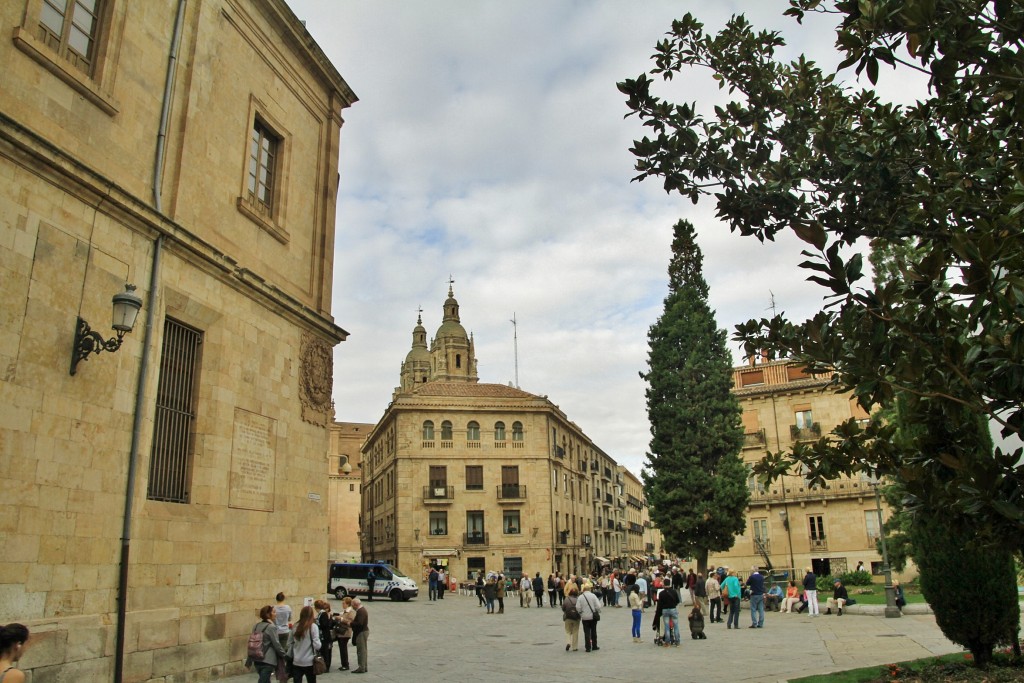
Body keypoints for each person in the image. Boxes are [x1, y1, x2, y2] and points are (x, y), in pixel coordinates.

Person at [246, 606, 286, 683]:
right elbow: (276, 644)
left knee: (265, 680)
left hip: (256, 658)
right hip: (268, 660)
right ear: (268, 614)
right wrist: (284, 655)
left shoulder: (256, 626)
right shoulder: (271, 627)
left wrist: (249, 660)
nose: (275, 614)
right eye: (274, 612)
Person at [288, 605, 321, 683]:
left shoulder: (295, 626)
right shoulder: (313, 627)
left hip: (296, 660)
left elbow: (289, 643)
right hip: (309, 661)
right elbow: (317, 645)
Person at [577, 582, 602, 652]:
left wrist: (581, 613)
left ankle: (588, 647)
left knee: (586, 632)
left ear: (583, 590)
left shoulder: (580, 597)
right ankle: (594, 645)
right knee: (594, 631)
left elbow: (578, 607)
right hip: (593, 617)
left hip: (585, 617)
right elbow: (598, 606)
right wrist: (597, 610)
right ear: (590, 589)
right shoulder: (593, 596)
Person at [332, 596, 355, 672]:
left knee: (343, 649)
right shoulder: (345, 611)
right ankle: (344, 664)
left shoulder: (351, 611)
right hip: (341, 632)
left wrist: (341, 619)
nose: (342, 604)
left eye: (344, 603)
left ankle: (345, 665)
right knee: (342, 649)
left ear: (348, 604)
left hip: (345, 632)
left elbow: (350, 621)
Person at [657, 576, 681, 646]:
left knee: (666, 626)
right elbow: (677, 601)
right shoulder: (674, 592)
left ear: (664, 584)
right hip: (673, 609)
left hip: (665, 610)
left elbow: (660, 603)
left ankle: (667, 641)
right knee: (675, 625)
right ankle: (677, 641)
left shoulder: (661, 593)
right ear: (670, 584)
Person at [314, 599, 335, 673]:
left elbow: (324, 625)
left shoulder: (323, 614)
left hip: (324, 636)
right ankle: (323, 666)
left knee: (325, 652)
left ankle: (326, 666)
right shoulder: (320, 614)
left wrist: (317, 624)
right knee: (322, 652)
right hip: (321, 636)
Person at [350, 597, 370, 674]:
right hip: (363, 631)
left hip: (361, 632)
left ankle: (361, 667)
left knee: (361, 651)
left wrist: (351, 623)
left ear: (355, 605)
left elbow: (360, 623)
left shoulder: (361, 611)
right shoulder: (362, 610)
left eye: (352, 605)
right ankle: (364, 667)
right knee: (363, 650)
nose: (352, 607)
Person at [562, 583, 582, 651]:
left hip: (567, 617)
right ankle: (575, 647)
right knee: (575, 631)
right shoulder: (578, 599)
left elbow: (563, 608)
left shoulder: (566, 599)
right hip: (576, 617)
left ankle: (568, 642)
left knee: (568, 631)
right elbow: (580, 608)